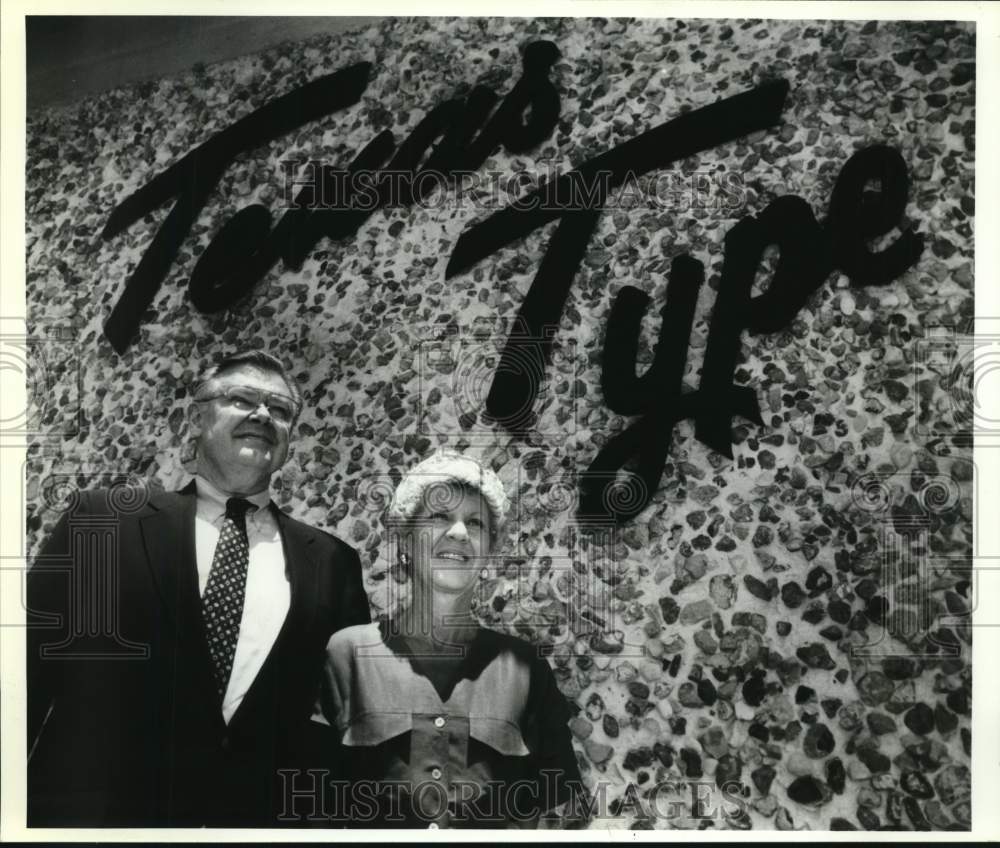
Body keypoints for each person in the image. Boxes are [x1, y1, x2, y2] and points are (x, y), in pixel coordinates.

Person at [26, 350, 370, 827]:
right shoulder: (103, 523)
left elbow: (346, 724)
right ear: (197, 415)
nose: (264, 415)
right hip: (92, 821)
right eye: (242, 398)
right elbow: (22, 679)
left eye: (281, 409)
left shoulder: (333, 562)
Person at [314, 450, 583, 829]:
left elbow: (560, 808)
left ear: (488, 550)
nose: (458, 532)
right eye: (439, 516)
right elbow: (310, 807)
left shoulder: (525, 669)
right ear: (405, 540)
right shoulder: (346, 655)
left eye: (475, 523)